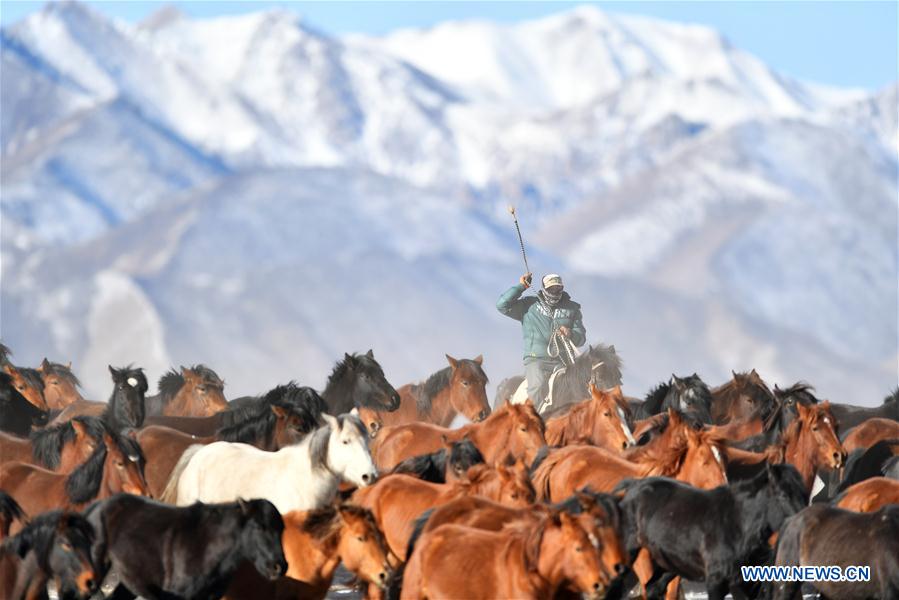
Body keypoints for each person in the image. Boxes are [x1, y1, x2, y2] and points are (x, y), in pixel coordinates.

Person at [496, 272, 586, 410]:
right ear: (544, 289)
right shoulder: (529, 305)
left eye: (558, 288)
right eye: (551, 289)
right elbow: (502, 305)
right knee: (537, 384)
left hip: (562, 361)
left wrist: (570, 333)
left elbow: (581, 338)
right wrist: (521, 286)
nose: (555, 292)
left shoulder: (572, 308)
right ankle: (530, 417)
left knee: (579, 389)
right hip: (536, 359)